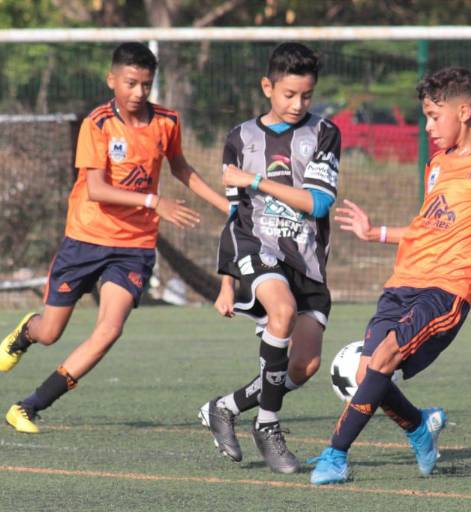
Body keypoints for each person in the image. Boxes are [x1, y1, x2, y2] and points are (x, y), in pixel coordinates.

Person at [309, 67, 471, 485]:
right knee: (367, 375)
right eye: (426, 118)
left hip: (448, 289)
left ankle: (335, 455)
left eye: (435, 117)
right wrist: (375, 232)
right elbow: (427, 226)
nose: (429, 127)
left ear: (464, 111)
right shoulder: (436, 164)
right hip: (403, 280)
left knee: (384, 359)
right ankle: (420, 425)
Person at [0, 42, 228, 433]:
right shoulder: (98, 123)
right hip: (86, 238)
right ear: (112, 80)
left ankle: (29, 405)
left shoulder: (167, 121)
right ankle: (26, 332)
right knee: (51, 333)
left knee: (110, 329)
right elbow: (97, 188)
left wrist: (226, 206)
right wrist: (154, 201)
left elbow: (182, 169)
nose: (138, 93)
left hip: (133, 247)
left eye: (146, 85)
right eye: (131, 83)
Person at [198, 42, 341, 474]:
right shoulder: (240, 137)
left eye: (306, 95)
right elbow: (233, 212)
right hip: (257, 248)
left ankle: (224, 407)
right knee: (282, 311)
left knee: (306, 364)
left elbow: (316, 204)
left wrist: (256, 180)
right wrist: (226, 280)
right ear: (267, 87)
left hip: (306, 257)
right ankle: (268, 425)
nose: (298, 104)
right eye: (288, 95)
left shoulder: (325, 133)